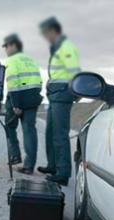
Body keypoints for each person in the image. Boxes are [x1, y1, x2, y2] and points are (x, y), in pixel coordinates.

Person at [37, 17, 80, 186]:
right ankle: (53, 166)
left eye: (46, 33)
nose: (45, 37)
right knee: (50, 133)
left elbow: (74, 71)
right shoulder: (57, 49)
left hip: (63, 94)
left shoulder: (66, 47)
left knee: (60, 134)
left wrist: (75, 93)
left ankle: (63, 173)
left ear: (53, 31)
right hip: (55, 94)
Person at [3, 33, 43, 174]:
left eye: (6, 46)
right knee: (29, 131)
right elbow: (39, 82)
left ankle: (15, 155)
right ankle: (29, 166)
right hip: (32, 99)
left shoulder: (12, 60)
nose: (5, 50)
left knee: (9, 126)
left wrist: (16, 104)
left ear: (13, 46)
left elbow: (13, 83)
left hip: (17, 97)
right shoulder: (30, 60)